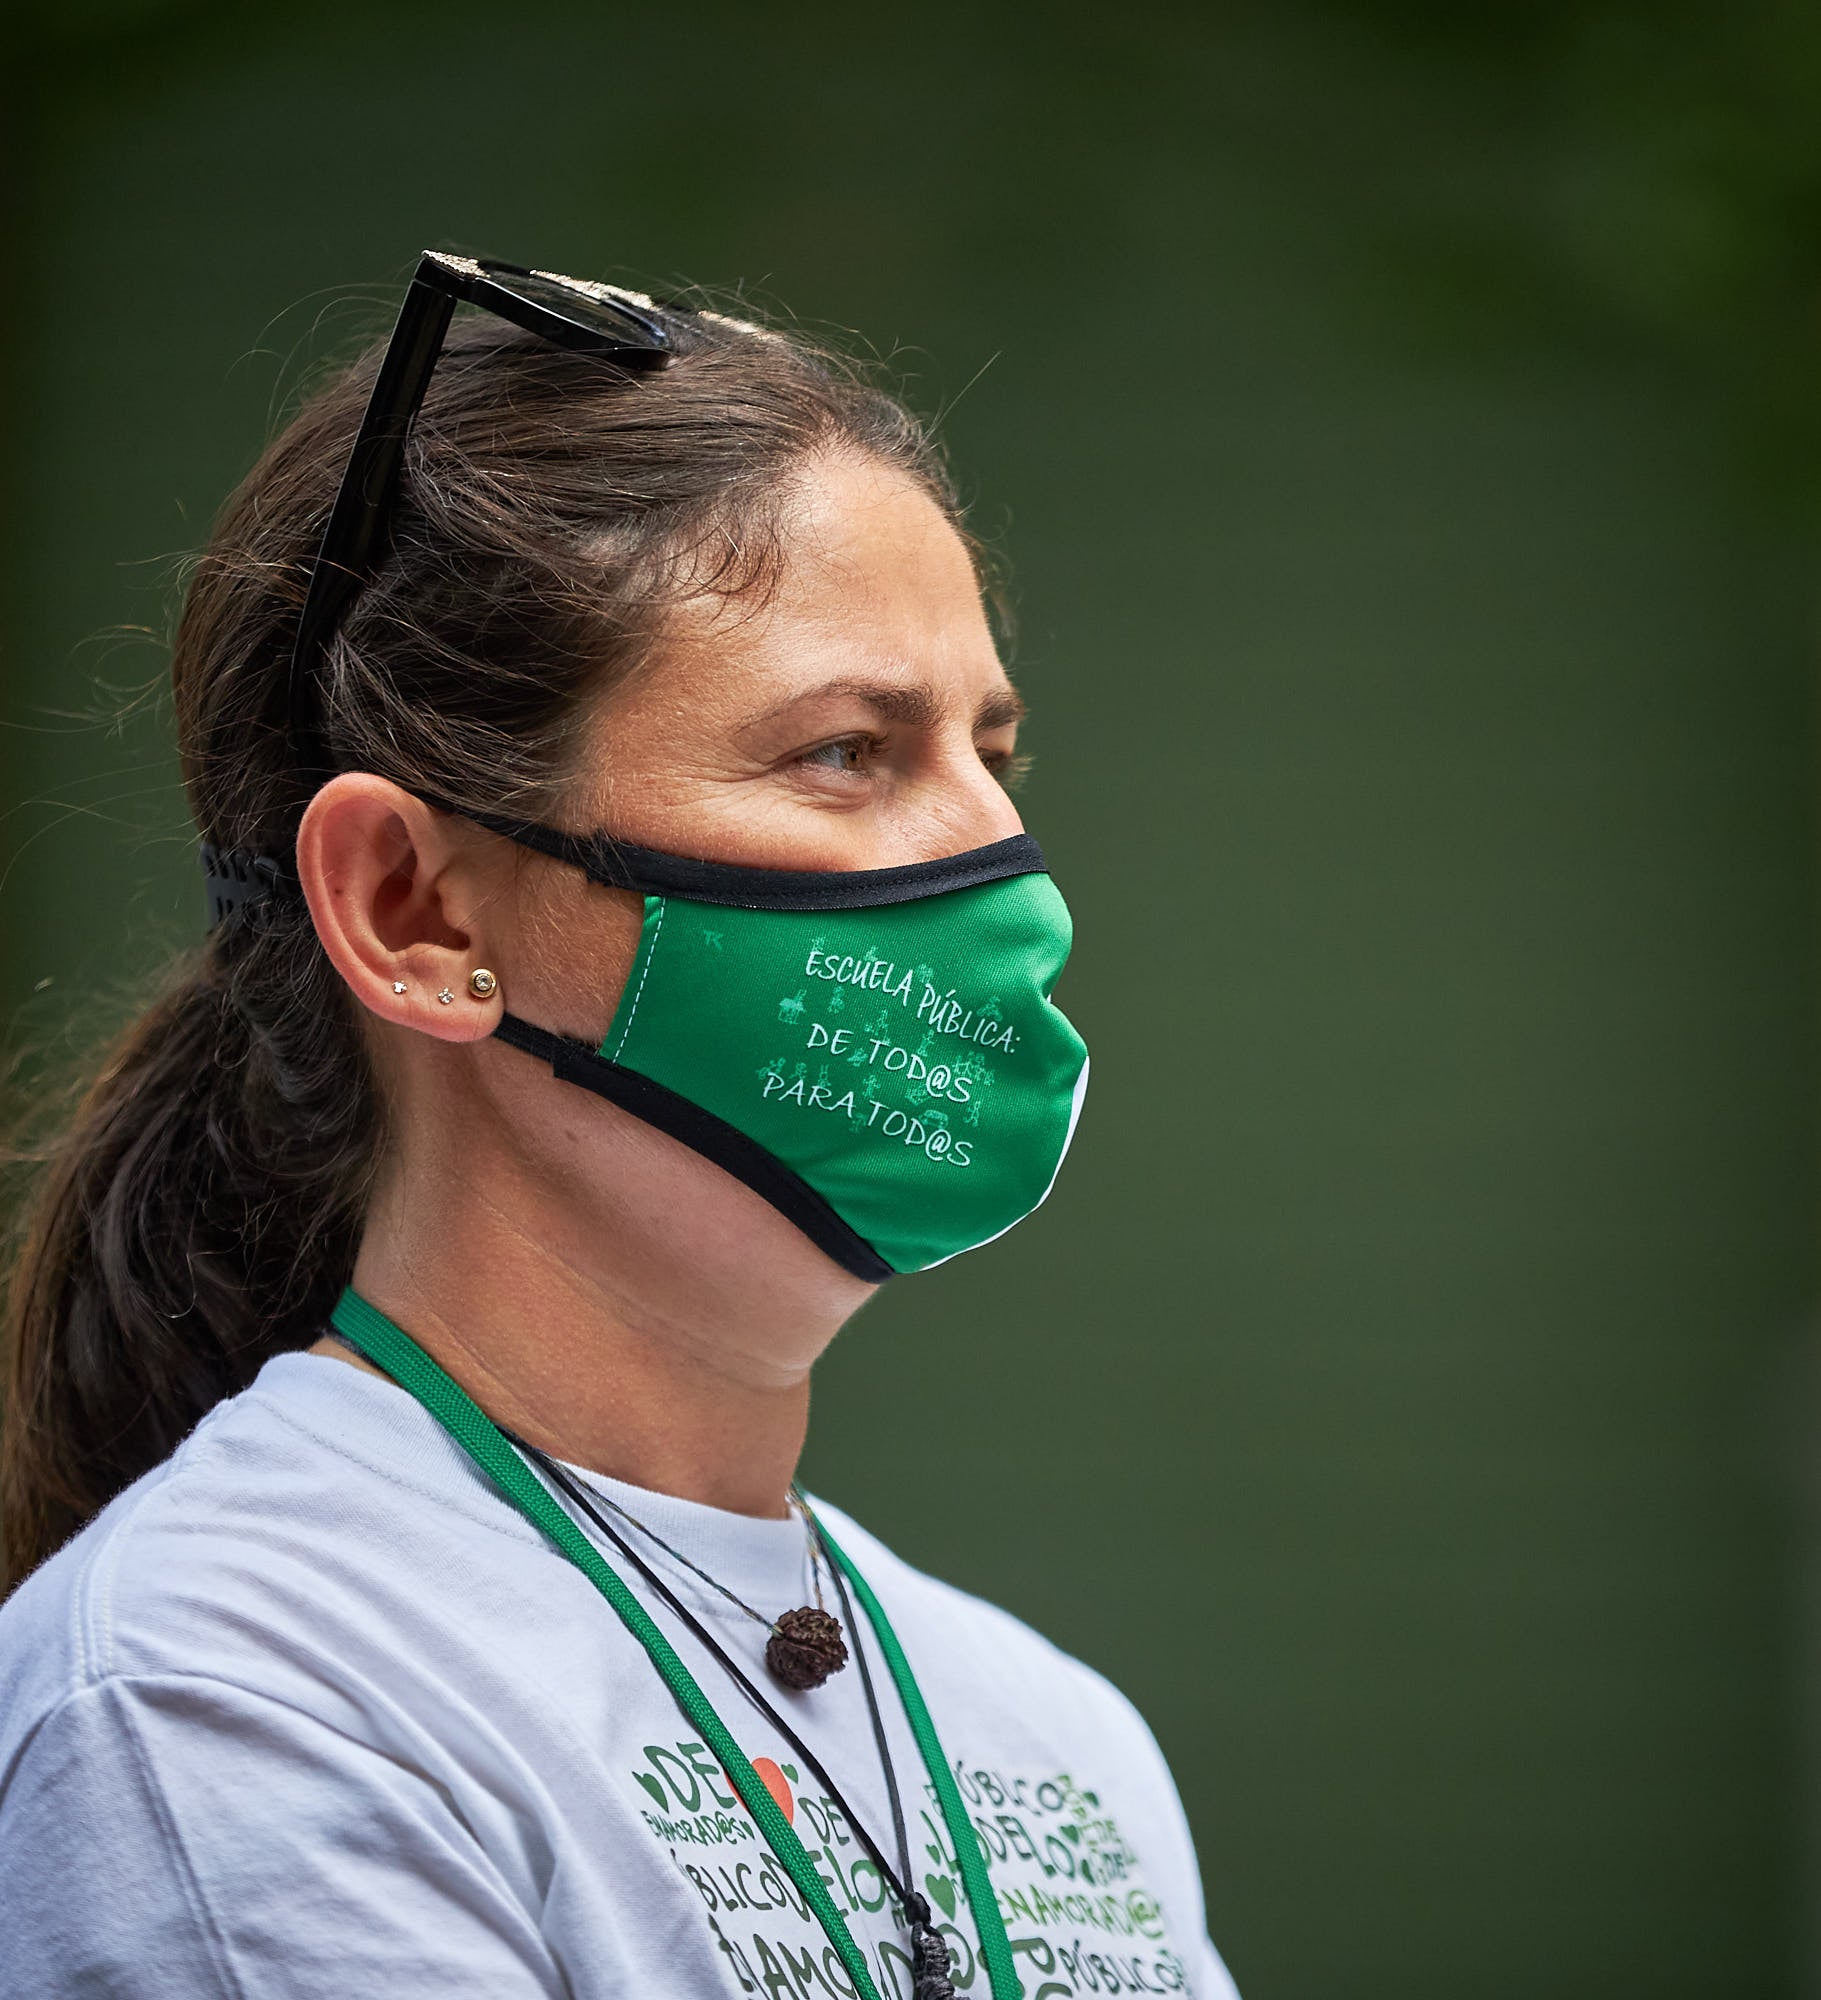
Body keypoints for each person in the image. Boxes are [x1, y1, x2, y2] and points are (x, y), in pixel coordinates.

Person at [0, 252, 1240, 1999]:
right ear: (421, 913)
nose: (1002, 872)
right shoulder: (231, 1697)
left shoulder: (1052, 1739)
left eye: (992, 749)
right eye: (845, 754)